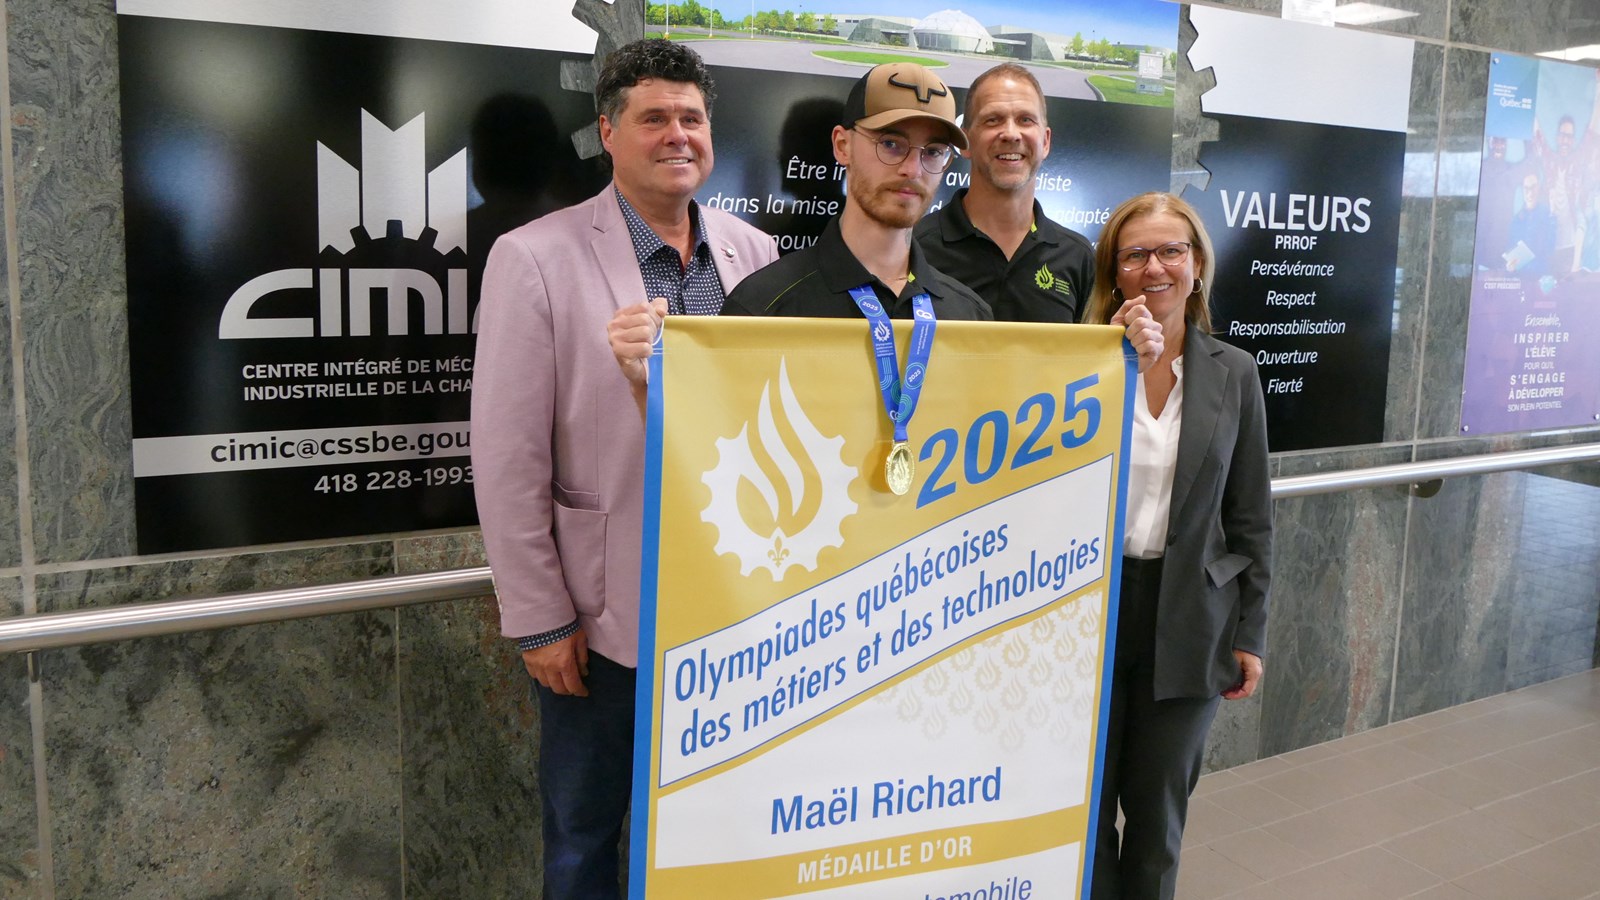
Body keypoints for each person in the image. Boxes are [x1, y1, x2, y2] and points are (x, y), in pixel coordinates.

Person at [470, 38, 776, 900]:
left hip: (738, 610)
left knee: (719, 829)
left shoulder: (755, 255)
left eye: (692, 117)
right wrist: (537, 617)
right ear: (608, 131)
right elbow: (506, 452)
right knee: (585, 834)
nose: (677, 134)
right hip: (608, 620)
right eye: (654, 118)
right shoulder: (535, 257)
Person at [1081, 192, 1273, 900]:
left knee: (1158, 815)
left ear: (1196, 266)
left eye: (1171, 251)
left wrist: (1250, 630)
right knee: (1086, 809)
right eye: (1135, 253)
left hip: (1193, 615)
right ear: (1115, 271)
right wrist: (1111, 360)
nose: (1154, 266)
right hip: (1091, 611)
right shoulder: (1082, 363)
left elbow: (1252, 514)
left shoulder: (1235, 372)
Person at [913, 62, 1095, 322]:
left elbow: (1090, 359)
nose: (1011, 134)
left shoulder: (1077, 256)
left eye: (1025, 120)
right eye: (993, 119)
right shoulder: (916, 247)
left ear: (1045, 141)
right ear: (964, 142)